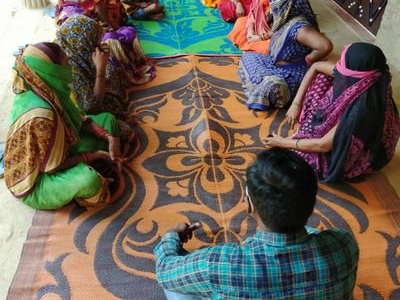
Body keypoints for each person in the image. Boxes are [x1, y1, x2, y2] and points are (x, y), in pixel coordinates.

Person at [155, 148, 359, 299]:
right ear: (312, 203)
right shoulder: (344, 244)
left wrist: (171, 236)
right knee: (313, 233)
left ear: (249, 204)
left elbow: (164, 270)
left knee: (177, 288)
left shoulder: (218, 263)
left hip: (227, 270)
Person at [3, 42, 125, 209]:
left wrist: (108, 137)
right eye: (66, 64)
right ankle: (85, 187)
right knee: (88, 181)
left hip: (59, 149)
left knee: (107, 120)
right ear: (53, 70)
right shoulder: (42, 115)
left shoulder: (45, 86)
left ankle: (90, 162)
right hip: (39, 179)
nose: (70, 68)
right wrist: (93, 156)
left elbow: (79, 120)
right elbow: (52, 168)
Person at [264, 42, 400, 182]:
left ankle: (311, 135)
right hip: (348, 124)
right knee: (324, 77)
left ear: (354, 71)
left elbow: (323, 145)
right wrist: (296, 104)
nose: (340, 64)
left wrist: (283, 143)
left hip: (359, 154)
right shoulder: (370, 78)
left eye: (344, 62)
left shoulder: (362, 109)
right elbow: (316, 67)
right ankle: (313, 130)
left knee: (300, 160)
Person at [238, 0, 332, 110]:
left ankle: (270, 86)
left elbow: (325, 46)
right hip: (274, 65)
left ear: (285, 4)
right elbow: (280, 34)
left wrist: (310, 59)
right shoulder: (287, 19)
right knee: (248, 57)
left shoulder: (300, 28)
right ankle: (263, 81)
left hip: (293, 73)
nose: (272, 8)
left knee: (272, 87)